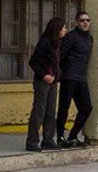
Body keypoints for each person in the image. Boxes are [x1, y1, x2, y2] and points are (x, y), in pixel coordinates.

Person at [26, 17, 67, 152]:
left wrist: (58, 74)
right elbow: (33, 61)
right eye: (63, 28)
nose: (65, 30)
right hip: (42, 81)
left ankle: (48, 140)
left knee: (50, 111)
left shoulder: (57, 44)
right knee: (39, 110)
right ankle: (32, 141)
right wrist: (44, 75)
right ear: (57, 29)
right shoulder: (45, 43)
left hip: (53, 81)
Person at [56, 11, 94, 148]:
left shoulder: (89, 39)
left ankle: (72, 136)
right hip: (69, 77)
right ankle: (60, 138)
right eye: (82, 20)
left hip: (81, 78)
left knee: (87, 107)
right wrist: (62, 73)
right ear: (77, 22)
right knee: (64, 107)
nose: (85, 23)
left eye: (87, 20)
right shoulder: (70, 37)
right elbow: (61, 56)